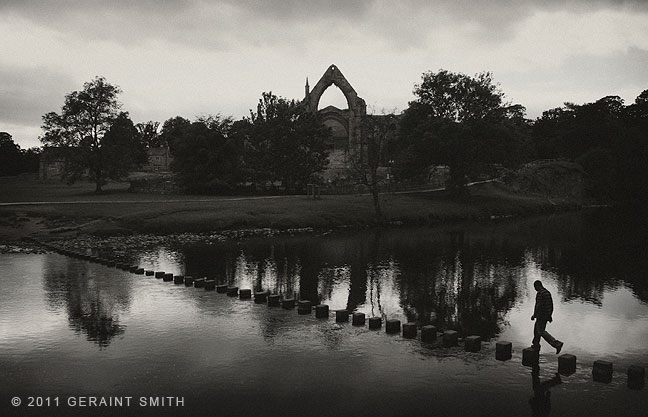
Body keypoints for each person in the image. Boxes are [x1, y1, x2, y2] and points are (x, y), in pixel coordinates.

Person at [531, 280, 564, 353]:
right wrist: (549, 315)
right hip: (546, 315)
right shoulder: (547, 292)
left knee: (541, 331)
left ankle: (557, 344)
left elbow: (538, 305)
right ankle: (536, 344)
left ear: (537, 286)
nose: (535, 289)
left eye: (535, 287)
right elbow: (551, 305)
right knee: (536, 330)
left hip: (541, 315)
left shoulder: (540, 293)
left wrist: (534, 314)